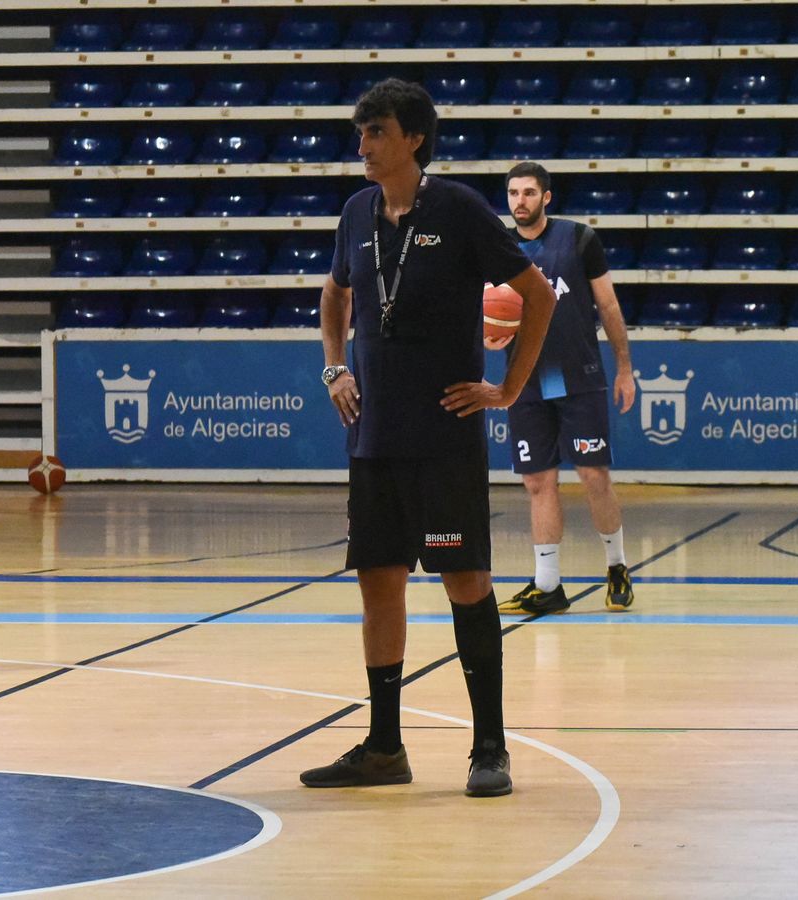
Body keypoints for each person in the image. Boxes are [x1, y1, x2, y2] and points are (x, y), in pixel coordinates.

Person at [303, 79, 558, 797]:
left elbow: (537, 295)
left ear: (414, 138)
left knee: (466, 582)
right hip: (373, 434)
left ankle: (489, 749)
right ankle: (385, 748)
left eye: (376, 132)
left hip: (445, 434)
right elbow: (335, 293)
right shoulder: (355, 213)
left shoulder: (459, 208)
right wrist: (334, 367)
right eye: (360, 133)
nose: (363, 145)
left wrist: (508, 389)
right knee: (378, 584)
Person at [492, 162, 638, 616]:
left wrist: (625, 368)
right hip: (526, 380)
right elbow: (485, 311)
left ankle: (616, 566)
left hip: (578, 376)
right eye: (513, 193)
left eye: (529, 192)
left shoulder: (578, 239)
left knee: (593, 475)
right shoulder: (498, 246)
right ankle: (548, 584)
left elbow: (608, 305)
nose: (520, 201)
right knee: (537, 481)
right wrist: (487, 334)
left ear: (546, 197)